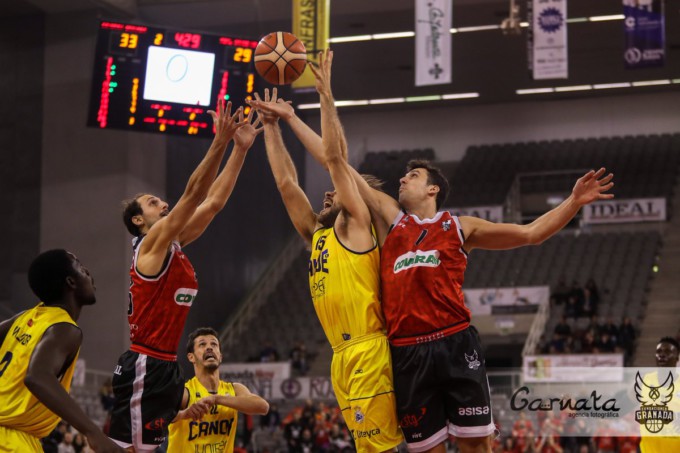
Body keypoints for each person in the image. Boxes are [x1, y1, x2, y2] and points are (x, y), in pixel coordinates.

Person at [251, 55, 614, 451]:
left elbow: (530, 233)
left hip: (456, 342)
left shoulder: (460, 227)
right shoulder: (391, 221)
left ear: (432, 189)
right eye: (404, 174)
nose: (403, 178)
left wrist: (573, 202)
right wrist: (290, 118)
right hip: (407, 351)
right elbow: (333, 159)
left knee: (478, 447)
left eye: (414, 175)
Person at [250, 49, 403, 452]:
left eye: (337, 190)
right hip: (339, 354)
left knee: (380, 448)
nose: (328, 192)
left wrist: (325, 96)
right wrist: (270, 127)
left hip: (369, 347)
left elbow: (334, 159)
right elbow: (286, 183)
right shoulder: (316, 233)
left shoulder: (356, 222)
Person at [109, 101, 262, 451]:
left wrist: (239, 149)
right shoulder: (151, 244)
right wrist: (219, 141)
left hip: (164, 364)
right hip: (146, 363)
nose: (163, 204)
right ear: (138, 221)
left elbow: (213, 202)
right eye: (153, 203)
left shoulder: (173, 243)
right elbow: (194, 195)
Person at [0, 249, 122, 452]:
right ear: (71, 283)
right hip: (11, 442)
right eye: (82, 269)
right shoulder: (64, 328)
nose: (89, 273)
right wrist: (93, 432)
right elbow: (37, 377)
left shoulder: (23, 318)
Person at [167, 327, 269, 452]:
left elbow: (263, 407)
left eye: (214, 344)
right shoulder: (185, 392)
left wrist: (217, 399)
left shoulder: (235, 389)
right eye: (202, 344)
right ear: (191, 357)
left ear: (220, 356)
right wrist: (184, 414)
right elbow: (156, 417)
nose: (209, 347)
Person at [639, 336, 680, 453]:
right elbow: (621, 406)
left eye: (668, 352)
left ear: (677, 357)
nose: (662, 355)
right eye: (659, 351)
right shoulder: (643, 381)